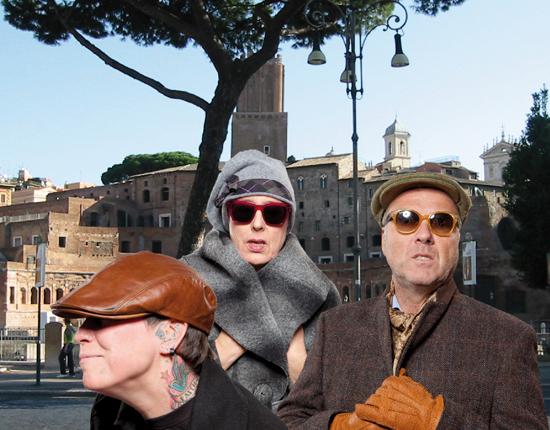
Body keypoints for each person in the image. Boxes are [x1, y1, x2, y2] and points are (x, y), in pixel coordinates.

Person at [278, 172, 548, 429]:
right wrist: (337, 426)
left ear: (457, 240)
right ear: (384, 238)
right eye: (406, 220)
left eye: (441, 222)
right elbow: (290, 419)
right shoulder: (335, 327)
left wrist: (438, 422)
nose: (424, 234)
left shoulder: (509, 339)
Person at [51, 251, 287, 430]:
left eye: (102, 321)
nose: (81, 335)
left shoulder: (249, 424)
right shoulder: (108, 413)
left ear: (169, 334)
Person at [181, 149, 341, 409]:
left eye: (273, 214)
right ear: (227, 217)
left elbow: (340, 402)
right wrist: (239, 337)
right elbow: (162, 395)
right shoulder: (183, 282)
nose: (257, 224)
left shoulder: (321, 294)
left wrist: (297, 363)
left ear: (287, 221)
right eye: (243, 212)